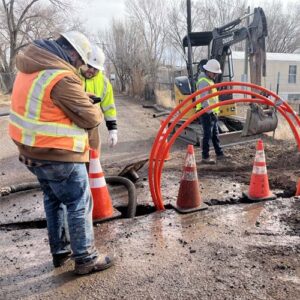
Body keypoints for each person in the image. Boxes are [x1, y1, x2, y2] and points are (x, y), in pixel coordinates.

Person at [8, 31, 114, 275]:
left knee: (53, 199)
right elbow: (90, 117)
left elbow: (44, 103)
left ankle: (60, 252)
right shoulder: (61, 76)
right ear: (73, 52)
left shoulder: (31, 67)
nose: (79, 67)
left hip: (30, 150)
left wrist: (78, 98)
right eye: (79, 62)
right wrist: (91, 107)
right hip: (58, 153)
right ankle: (85, 258)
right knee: (78, 201)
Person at [80, 45, 118, 148]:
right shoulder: (72, 75)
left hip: (92, 129)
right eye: (89, 66)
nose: (92, 70)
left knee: (94, 159)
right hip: (71, 127)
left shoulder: (104, 83)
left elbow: (109, 107)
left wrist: (112, 130)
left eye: (96, 69)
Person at [195, 59, 227, 164]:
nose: (215, 75)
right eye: (214, 73)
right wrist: (210, 113)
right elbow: (204, 100)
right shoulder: (204, 81)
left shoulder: (209, 80)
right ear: (208, 71)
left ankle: (219, 153)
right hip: (205, 112)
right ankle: (205, 157)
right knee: (208, 134)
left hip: (211, 112)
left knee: (215, 134)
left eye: (216, 73)